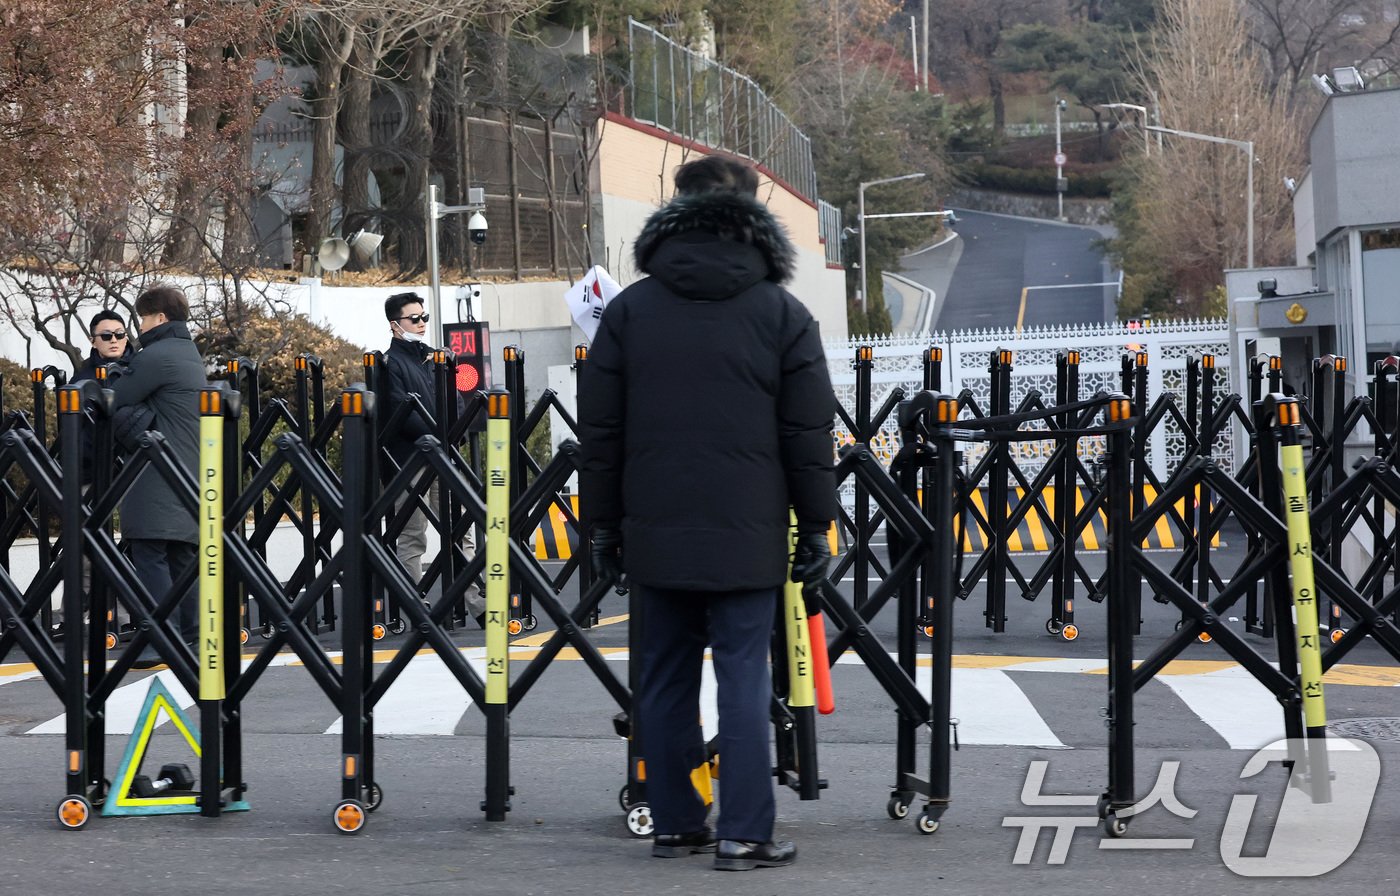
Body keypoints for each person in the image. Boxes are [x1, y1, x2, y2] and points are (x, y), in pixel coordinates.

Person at [578, 154, 838, 871]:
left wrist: (602, 526)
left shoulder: (631, 310)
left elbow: (600, 432)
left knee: (661, 679)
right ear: (755, 214)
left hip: (654, 526)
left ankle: (676, 823)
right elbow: (807, 435)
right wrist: (815, 526)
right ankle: (746, 832)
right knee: (745, 678)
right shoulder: (782, 313)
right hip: (749, 530)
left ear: (675, 210)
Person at [109, 284, 207, 667]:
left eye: (143, 318)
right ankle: (192, 637)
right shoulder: (186, 350)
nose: (139, 327)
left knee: (150, 553)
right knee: (182, 555)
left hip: (158, 467)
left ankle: (160, 638)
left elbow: (116, 397)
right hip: (191, 466)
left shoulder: (156, 355)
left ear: (160, 318)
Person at [380, 292, 485, 625]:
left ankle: (479, 605)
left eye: (424, 317)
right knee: (413, 535)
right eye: (415, 319)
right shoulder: (389, 364)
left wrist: (453, 438)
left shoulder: (435, 358)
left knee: (461, 530)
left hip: (442, 456)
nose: (422, 323)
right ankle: (416, 608)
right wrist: (438, 438)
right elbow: (401, 412)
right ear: (396, 326)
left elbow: (454, 399)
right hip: (409, 461)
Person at [72, 309, 135, 383]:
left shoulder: (143, 366)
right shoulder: (82, 380)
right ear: (93, 342)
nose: (114, 340)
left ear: (126, 338)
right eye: (106, 335)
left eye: (119, 334)